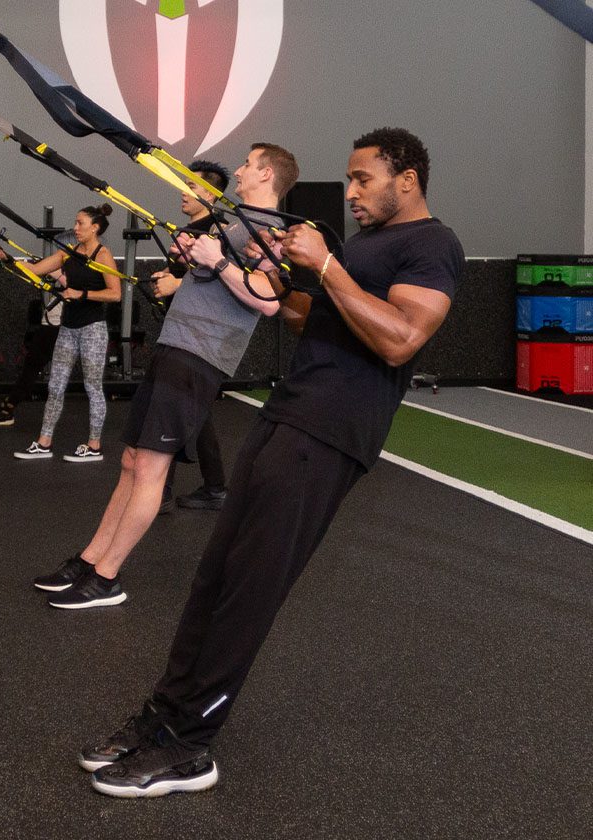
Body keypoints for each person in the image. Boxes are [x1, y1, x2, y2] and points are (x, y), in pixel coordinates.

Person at [79, 127, 465, 797]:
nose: (349, 192)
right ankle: (164, 716)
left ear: (407, 180)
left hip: (331, 431)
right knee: (216, 577)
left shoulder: (433, 245)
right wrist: (264, 268)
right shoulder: (364, 244)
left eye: (362, 180)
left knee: (249, 591)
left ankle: (190, 747)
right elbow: (305, 315)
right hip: (285, 413)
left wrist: (328, 267)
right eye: (348, 179)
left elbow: (401, 339)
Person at [34, 143, 299, 608]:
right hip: (175, 346)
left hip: (200, 354)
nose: (238, 169)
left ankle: (107, 578)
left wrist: (215, 260)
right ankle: (91, 558)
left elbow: (269, 299)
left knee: (152, 468)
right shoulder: (236, 223)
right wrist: (192, 256)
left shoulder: (270, 231)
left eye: (247, 163)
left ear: (266, 174)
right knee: (133, 461)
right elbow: (215, 275)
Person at [0, 204, 121, 462]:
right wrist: (7, 259)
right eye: (75, 223)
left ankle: (94, 446)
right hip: (68, 328)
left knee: (93, 387)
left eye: (80, 223)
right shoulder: (69, 253)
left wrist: (81, 294)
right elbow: (36, 269)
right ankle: (44, 442)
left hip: (93, 330)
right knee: (55, 386)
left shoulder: (103, 255)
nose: (75, 228)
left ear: (94, 227)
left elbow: (115, 294)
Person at [153, 160, 231, 516]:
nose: (184, 192)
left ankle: (161, 491)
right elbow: (186, 274)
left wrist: (178, 282)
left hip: (200, 336)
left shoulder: (222, 232)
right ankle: (214, 488)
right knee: (194, 412)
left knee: (170, 408)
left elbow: (225, 281)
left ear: (210, 195)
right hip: (180, 328)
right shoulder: (188, 229)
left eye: (192, 187)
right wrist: (167, 279)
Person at [0, 289, 62, 428]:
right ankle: (7, 409)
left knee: (33, 366)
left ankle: (7, 410)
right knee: (32, 365)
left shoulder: (70, 269)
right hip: (55, 321)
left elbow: (55, 274)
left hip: (62, 323)